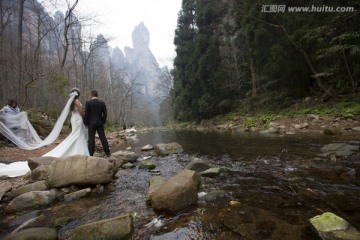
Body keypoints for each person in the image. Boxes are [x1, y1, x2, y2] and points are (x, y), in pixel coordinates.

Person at [42, 88, 89, 157]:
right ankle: (79, 151)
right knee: (78, 133)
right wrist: (85, 115)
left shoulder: (71, 102)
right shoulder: (77, 101)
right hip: (78, 119)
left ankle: (75, 149)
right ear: (78, 94)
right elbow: (81, 111)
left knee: (76, 133)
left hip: (74, 118)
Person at [84, 90, 111, 157]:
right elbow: (105, 114)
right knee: (102, 137)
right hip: (99, 123)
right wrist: (103, 121)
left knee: (91, 139)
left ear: (91, 95)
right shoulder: (102, 103)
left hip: (91, 123)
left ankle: (90, 154)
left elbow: (86, 114)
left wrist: (86, 123)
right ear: (97, 95)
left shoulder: (88, 103)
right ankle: (108, 152)